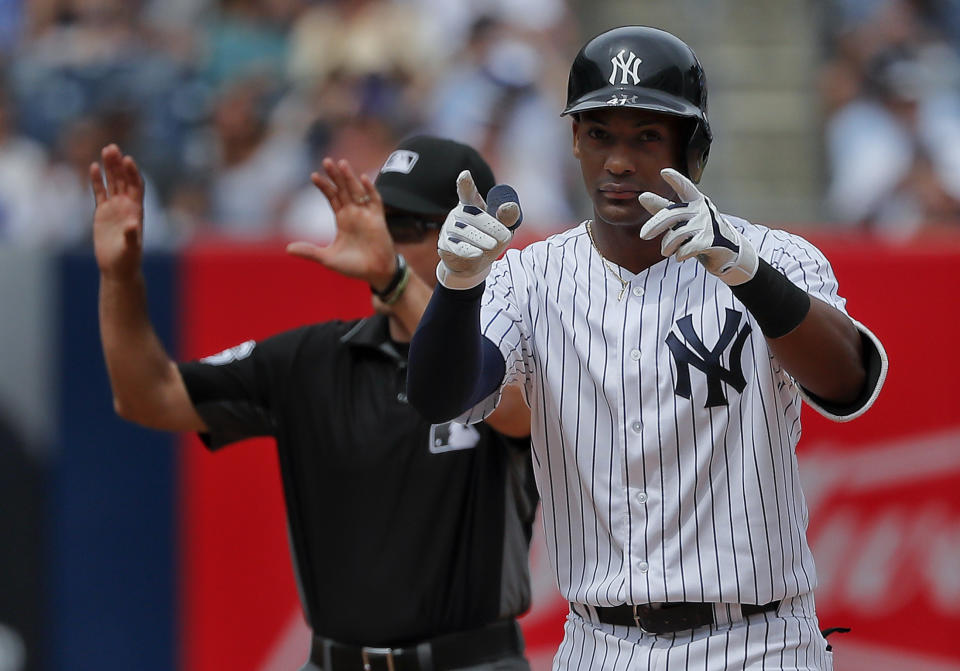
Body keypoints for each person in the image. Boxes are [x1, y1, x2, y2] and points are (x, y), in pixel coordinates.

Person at [406, 26, 888, 670]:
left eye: (646, 136)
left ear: (693, 152)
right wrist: (457, 287)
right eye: (600, 134)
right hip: (600, 644)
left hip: (760, 641)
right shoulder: (527, 276)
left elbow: (848, 384)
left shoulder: (774, 257)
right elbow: (442, 399)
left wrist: (744, 272)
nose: (619, 162)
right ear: (575, 140)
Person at [91, 135, 537, 670]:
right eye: (379, 219)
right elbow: (149, 397)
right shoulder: (311, 359)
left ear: (478, 238)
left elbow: (502, 402)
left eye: (406, 227)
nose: (384, 241)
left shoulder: (523, 359)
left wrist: (396, 282)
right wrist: (120, 277)